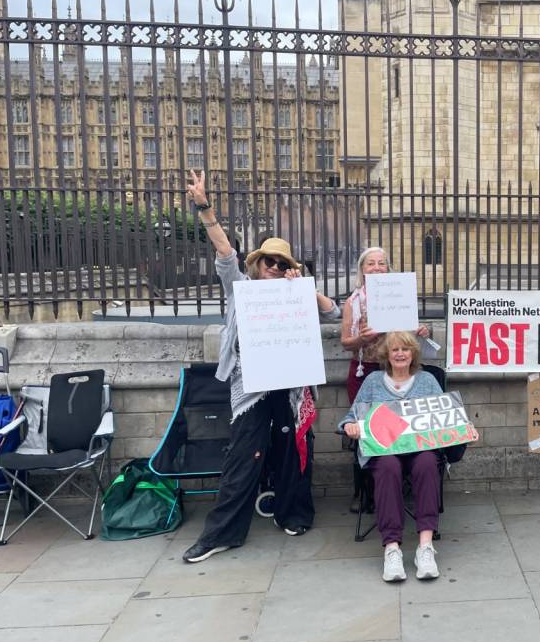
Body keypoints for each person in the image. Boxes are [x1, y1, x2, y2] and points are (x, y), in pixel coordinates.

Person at [181, 170, 339, 564]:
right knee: (242, 457)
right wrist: (204, 207)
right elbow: (223, 251)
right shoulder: (240, 287)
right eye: (268, 260)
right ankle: (222, 534)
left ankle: (295, 514)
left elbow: (334, 312)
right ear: (257, 264)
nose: (273, 266)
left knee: (294, 452)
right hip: (252, 387)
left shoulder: (297, 292)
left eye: (280, 262)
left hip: (290, 388)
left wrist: (302, 284)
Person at [339, 331, 445, 582]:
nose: (399, 353)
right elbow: (350, 417)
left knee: (429, 462)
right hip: (385, 451)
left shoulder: (428, 380)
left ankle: (425, 547)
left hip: (419, 449)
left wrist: (465, 429)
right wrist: (349, 427)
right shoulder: (374, 381)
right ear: (387, 355)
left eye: (405, 349)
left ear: (413, 354)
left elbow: (446, 417)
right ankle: (392, 548)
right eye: (395, 349)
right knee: (387, 467)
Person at [340, 247, 430, 405]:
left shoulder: (400, 297)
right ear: (363, 269)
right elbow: (346, 342)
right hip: (365, 371)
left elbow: (408, 332)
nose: (376, 268)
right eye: (371, 263)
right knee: (365, 421)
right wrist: (362, 339)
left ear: (388, 268)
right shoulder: (353, 302)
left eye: (381, 263)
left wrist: (421, 330)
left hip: (398, 370)